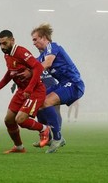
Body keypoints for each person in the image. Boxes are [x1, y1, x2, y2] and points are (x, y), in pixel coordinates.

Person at [0, 29, 52, 154]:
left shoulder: (21, 52)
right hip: (22, 91)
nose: (2, 46)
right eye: (0, 44)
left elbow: (38, 67)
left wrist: (29, 88)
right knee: (8, 120)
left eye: (4, 43)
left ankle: (44, 129)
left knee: (20, 120)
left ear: (12, 40)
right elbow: (9, 74)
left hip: (34, 90)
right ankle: (19, 147)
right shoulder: (7, 55)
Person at [31, 23, 85, 153]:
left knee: (46, 102)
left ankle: (58, 138)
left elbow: (47, 63)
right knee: (38, 101)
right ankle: (48, 137)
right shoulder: (43, 55)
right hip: (62, 84)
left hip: (73, 84)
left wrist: (32, 72)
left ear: (44, 38)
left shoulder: (52, 47)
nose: (33, 43)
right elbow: (32, 65)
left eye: (35, 39)